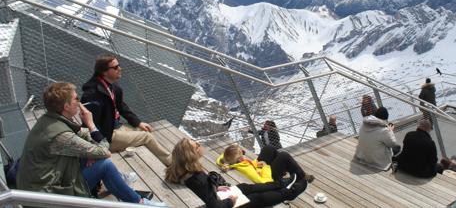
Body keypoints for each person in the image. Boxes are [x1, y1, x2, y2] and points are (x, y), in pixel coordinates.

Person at [17, 82, 167, 206]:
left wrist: (90, 151)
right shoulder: (61, 136)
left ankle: (120, 183)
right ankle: (139, 203)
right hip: (46, 196)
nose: (79, 102)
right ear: (66, 107)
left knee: (96, 157)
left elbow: (83, 135)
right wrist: (92, 124)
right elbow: (105, 150)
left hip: (38, 185)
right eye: (76, 99)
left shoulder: (50, 120)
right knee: (105, 164)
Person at [82, 54, 171, 166]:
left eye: (118, 65)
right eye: (115, 67)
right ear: (104, 72)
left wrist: (138, 122)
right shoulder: (92, 94)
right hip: (107, 137)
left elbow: (122, 107)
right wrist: (96, 149)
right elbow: (89, 124)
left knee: (145, 130)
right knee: (146, 137)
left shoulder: (112, 87)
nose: (120, 69)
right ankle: (173, 164)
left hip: (116, 127)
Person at [166, 138, 306, 208]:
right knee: (257, 198)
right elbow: (215, 206)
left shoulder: (184, 170)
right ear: (192, 154)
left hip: (216, 196)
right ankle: (289, 193)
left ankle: (280, 184)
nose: (199, 144)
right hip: (224, 204)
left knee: (246, 187)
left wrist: (215, 187)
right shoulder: (196, 178)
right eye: (196, 145)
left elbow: (204, 191)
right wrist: (230, 201)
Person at [216, 143, 314, 186]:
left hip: (259, 168)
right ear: (239, 158)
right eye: (242, 154)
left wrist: (224, 160)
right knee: (284, 155)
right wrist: (264, 166)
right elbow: (263, 181)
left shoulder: (231, 162)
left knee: (269, 148)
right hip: (270, 176)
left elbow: (221, 158)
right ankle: (302, 176)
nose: (243, 154)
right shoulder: (245, 168)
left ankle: (284, 169)